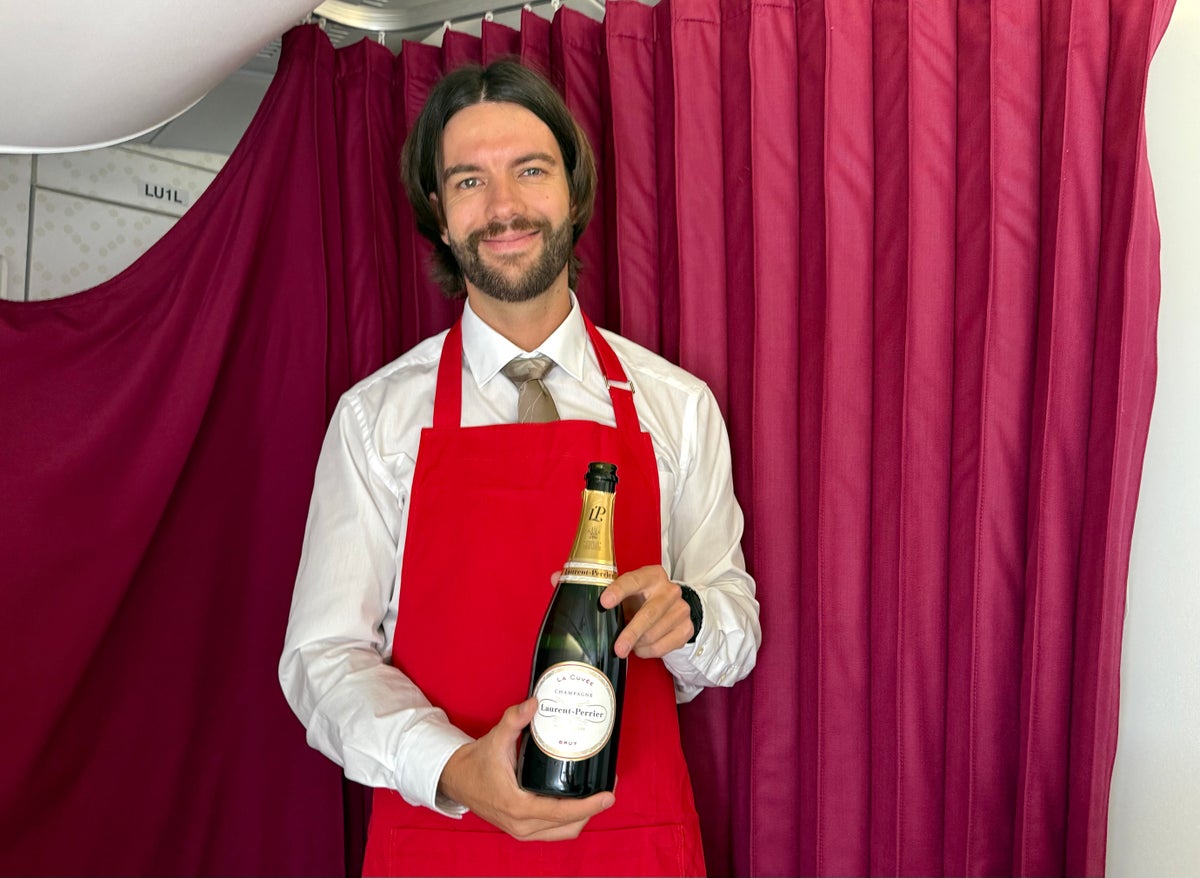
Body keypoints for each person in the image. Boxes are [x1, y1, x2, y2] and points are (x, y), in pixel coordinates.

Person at [279, 59, 761, 877]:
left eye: (530, 171)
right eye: (469, 180)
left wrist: (691, 618)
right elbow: (322, 659)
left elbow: (734, 625)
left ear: (574, 191)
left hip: (631, 842)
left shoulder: (677, 407)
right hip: (441, 843)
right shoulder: (374, 419)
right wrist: (452, 766)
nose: (503, 207)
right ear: (439, 214)